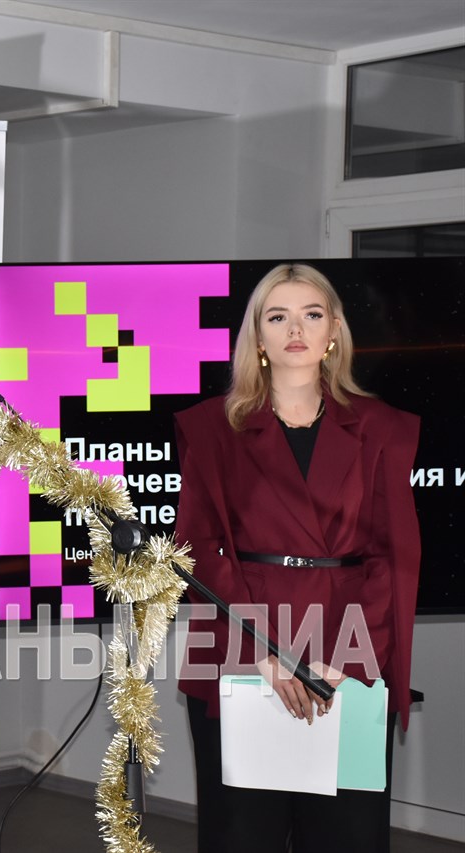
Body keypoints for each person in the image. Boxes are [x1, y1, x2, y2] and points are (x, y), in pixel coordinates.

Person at [174, 262, 421, 853]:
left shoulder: (383, 427)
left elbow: (393, 553)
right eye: (277, 316)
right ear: (257, 336)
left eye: (312, 314)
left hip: (348, 646)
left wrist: (348, 658)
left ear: (333, 329)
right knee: (241, 835)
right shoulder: (211, 426)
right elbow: (198, 544)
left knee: (346, 836)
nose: (295, 330)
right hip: (241, 644)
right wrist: (259, 652)